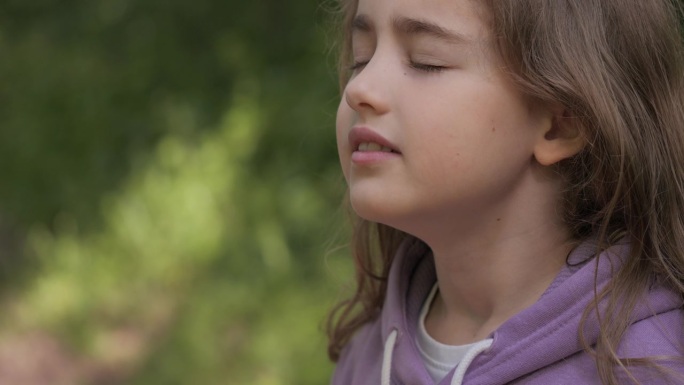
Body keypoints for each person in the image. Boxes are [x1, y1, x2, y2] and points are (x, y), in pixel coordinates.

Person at [326, 0, 684, 384]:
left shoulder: (649, 365)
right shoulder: (364, 357)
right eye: (361, 59)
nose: (359, 89)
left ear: (561, 124)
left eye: (426, 61)